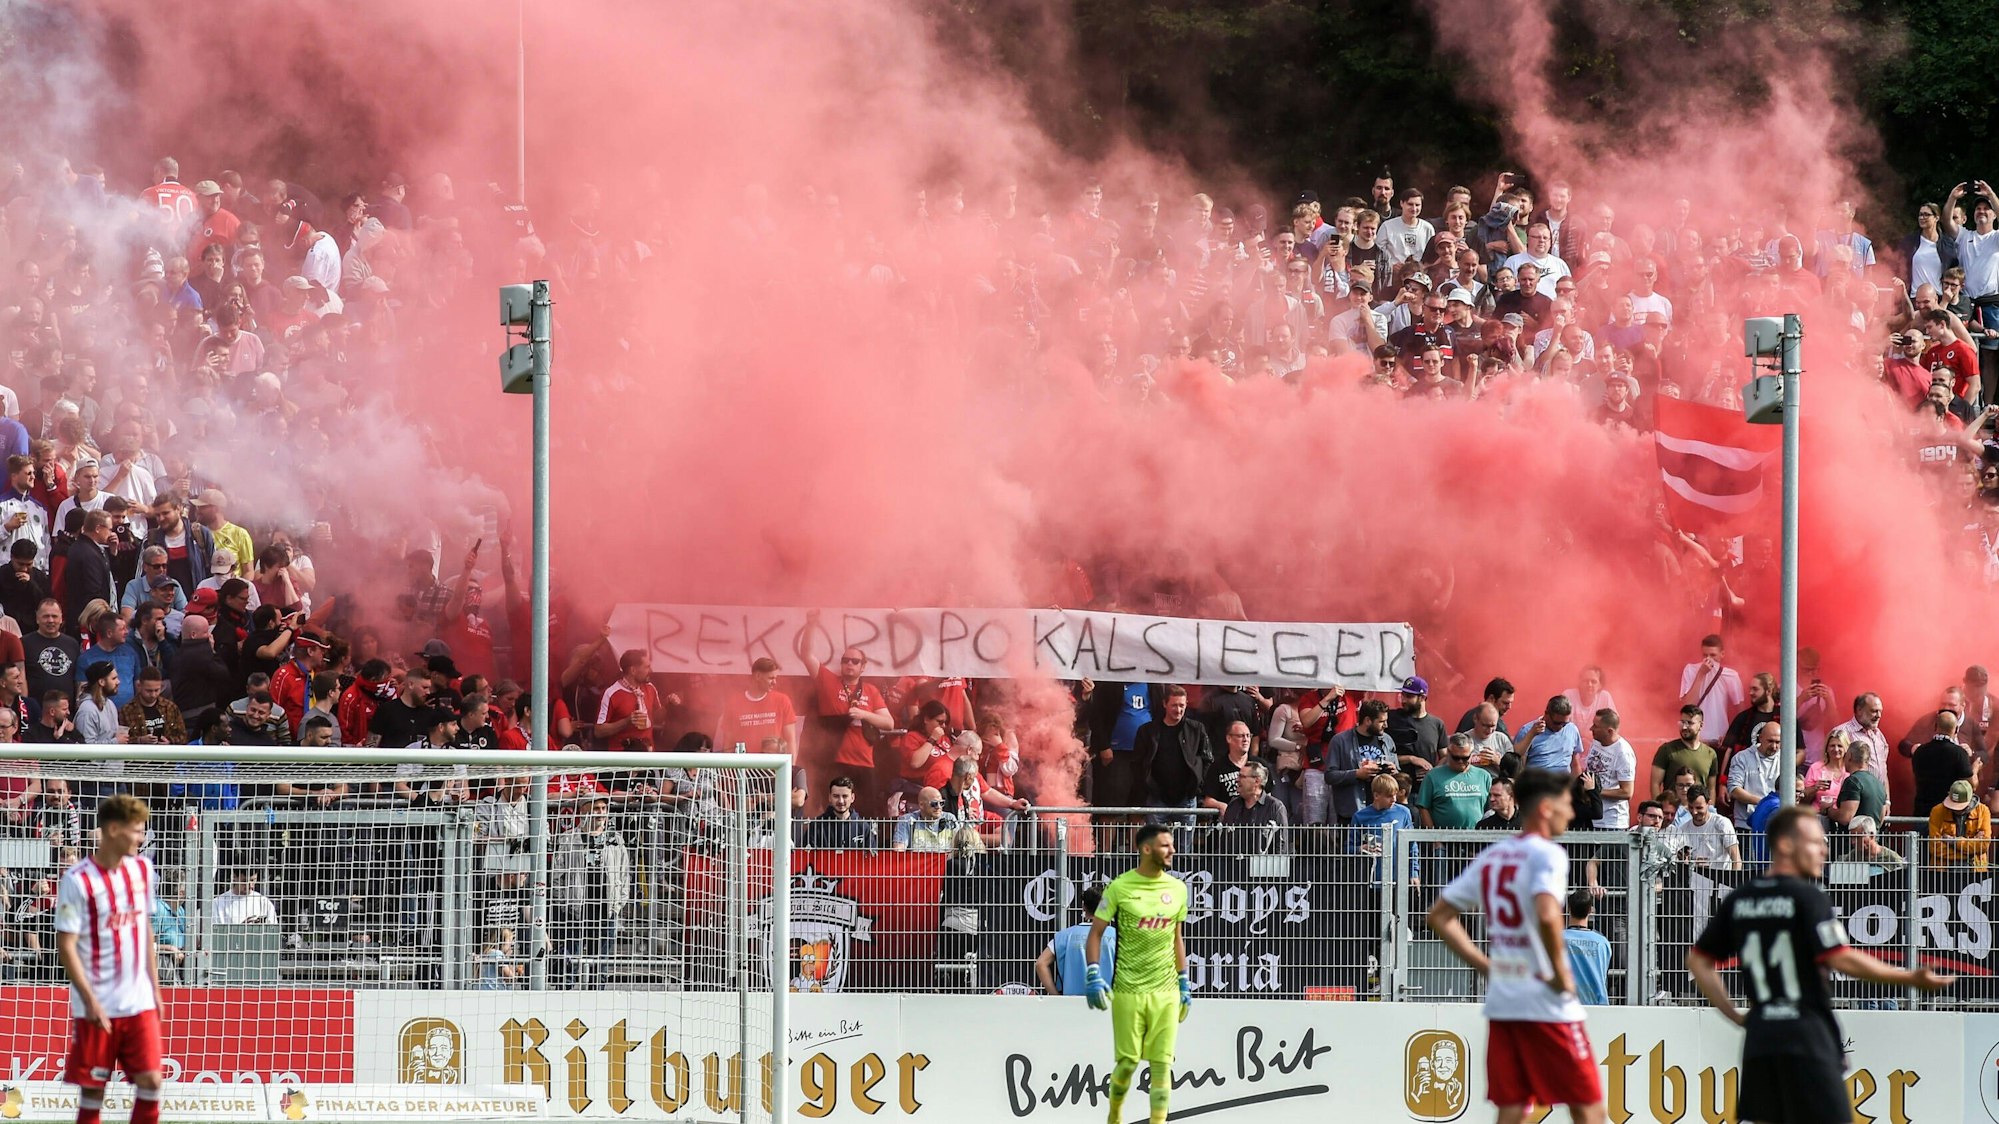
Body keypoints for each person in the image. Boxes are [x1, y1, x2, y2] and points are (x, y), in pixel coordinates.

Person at [1687, 808, 1953, 1124]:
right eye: (1815, 842)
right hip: (1806, 1036)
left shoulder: (1740, 899)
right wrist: (1909, 976)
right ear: (1785, 845)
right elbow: (1839, 956)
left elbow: (1698, 961)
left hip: (1761, 1040)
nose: (1824, 849)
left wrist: (1736, 1015)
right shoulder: (1807, 897)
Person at [1426, 769, 1606, 1124]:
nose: (1571, 815)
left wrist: (1486, 966)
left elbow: (1439, 915)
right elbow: (1545, 911)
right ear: (1545, 808)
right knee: (1589, 1106)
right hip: (1546, 999)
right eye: (1567, 805)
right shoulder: (1548, 854)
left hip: (1505, 999)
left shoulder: (1494, 856)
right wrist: (1557, 970)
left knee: (1513, 1108)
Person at [55, 794, 164, 1124]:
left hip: (138, 1002)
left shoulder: (143, 870)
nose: (141, 838)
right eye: (136, 831)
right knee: (92, 1091)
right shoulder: (78, 880)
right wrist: (91, 1001)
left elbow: (144, 928)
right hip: (97, 1005)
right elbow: (66, 945)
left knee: (151, 1081)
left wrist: (155, 989)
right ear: (114, 829)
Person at [1083, 823, 1191, 1124]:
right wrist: (1094, 974)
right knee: (1128, 1063)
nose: (1172, 850)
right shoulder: (1119, 887)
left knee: (1161, 1065)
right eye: (1165, 845)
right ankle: (1114, 1116)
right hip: (1128, 990)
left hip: (1166, 991)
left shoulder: (1177, 889)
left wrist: (1183, 982)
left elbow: (1176, 937)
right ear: (1146, 850)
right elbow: (1095, 934)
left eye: (1172, 845)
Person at [1132, 685, 1211, 824]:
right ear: (1164, 704)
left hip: (1187, 797)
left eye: (1182, 705)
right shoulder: (1147, 731)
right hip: (1157, 797)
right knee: (1156, 844)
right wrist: (1148, 786)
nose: (1178, 710)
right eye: (1174, 705)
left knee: (1184, 845)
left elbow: (1207, 759)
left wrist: (1197, 785)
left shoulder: (1196, 729)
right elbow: (1138, 762)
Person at [1324, 698, 1396, 825]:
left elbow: (1397, 773)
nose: (1386, 725)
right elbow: (1330, 776)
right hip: (1351, 812)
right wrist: (1357, 774)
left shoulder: (1387, 740)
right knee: (1352, 845)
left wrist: (1394, 771)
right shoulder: (1340, 741)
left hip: (1381, 812)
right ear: (1367, 720)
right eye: (1381, 721)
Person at [1035, 885, 1116, 997]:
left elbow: (1040, 964)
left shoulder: (1064, 936)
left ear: (1083, 907)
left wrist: (1056, 997)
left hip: (1071, 1007)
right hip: (1108, 1006)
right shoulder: (1117, 936)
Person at [1412, 733, 1493, 828]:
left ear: (1472, 755)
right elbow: (1423, 808)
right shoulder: (1433, 776)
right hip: (1444, 838)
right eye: (1456, 757)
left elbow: (1490, 809)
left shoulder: (1484, 776)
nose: (1460, 761)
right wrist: (1434, 839)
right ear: (1448, 753)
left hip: (1476, 838)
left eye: (1465, 758)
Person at [1678, 633, 1745, 746]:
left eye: (1713, 655)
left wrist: (1731, 735)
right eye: (1705, 655)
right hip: (1695, 737)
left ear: (1722, 654)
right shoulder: (1690, 670)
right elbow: (1688, 706)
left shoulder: (1731, 675)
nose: (1709, 659)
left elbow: (1740, 711)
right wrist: (1701, 674)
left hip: (1719, 738)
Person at [1910, 709, 1976, 821]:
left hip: (1922, 815)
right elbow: (1971, 785)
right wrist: (1976, 767)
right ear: (1956, 729)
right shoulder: (1959, 753)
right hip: (1948, 818)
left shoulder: (1919, 751)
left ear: (1935, 726)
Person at [1216, 759, 1291, 855]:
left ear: (1257, 781)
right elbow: (1223, 845)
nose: (1237, 780)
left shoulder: (1275, 807)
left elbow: (1281, 847)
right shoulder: (1233, 805)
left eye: (1242, 776)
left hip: (1264, 867)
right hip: (1235, 867)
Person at [1667, 788, 1741, 869]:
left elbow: (1736, 859)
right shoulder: (1683, 829)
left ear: (1708, 803)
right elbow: (1680, 862)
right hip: (1694, 878)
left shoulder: (1722, 824)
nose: (1694, 812)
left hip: (1721, 877)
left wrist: (1733, 880)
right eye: (1691, 807)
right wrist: (1691, 862)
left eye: (1699, 808)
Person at [1650, 705, 1718, 795]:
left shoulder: (1710, 754)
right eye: (1682, 722)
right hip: (1673, 807)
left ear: (1701, 725)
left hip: (1698, 808)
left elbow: (1711, 789)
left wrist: (1709, 808)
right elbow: (1655, 784)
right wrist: (1660, 807)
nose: (1684, 727)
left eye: (1690, 723)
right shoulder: (1666, 750)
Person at [1563, 888, 1612, 1006]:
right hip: (1597, 1004)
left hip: (1564, 1005)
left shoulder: (1558, 939)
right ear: (1590, 910)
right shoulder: (1602, 942)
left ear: (1569, 909)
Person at [800, 775, 876, 851]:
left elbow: (872, 860)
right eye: (836, 796)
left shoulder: (863, 827)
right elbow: (807, 858)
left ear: (852, 798)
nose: (840, 801)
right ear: (829, 797)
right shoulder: (816, 826)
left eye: (845, 796)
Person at [1928, 780, 1991, 868]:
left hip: (1976, 870)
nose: (1956, 810)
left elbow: (1983, 846)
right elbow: (1935, 848)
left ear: (1970, 799)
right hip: (1942, 871)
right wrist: (1971, 851)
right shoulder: (1937, 811)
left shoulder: (1983, 811)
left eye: (1960, 806)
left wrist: (1953, 841)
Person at [1513, 696, 1583, 773]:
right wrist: (1531, 735)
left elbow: (1575, 764)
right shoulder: (1528, 731)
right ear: (1546, 714)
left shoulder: (1572, 729)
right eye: (1557, 723)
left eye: (1565, 723)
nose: (1561, 727)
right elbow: (1517, 760)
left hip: (1564, 782)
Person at [209, 869, 276, 924]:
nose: (250, 885)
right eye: (245, 881)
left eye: (253, 880)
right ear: (234, 877)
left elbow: (273, 934)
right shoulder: (218, 904)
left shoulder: (264, 903)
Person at [1842, 816, 1907, 872]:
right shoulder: (1852, 857)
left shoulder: (1891, 858)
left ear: (1871, 835)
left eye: (1857, 837)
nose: (1853, 842)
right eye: (1852, 837)